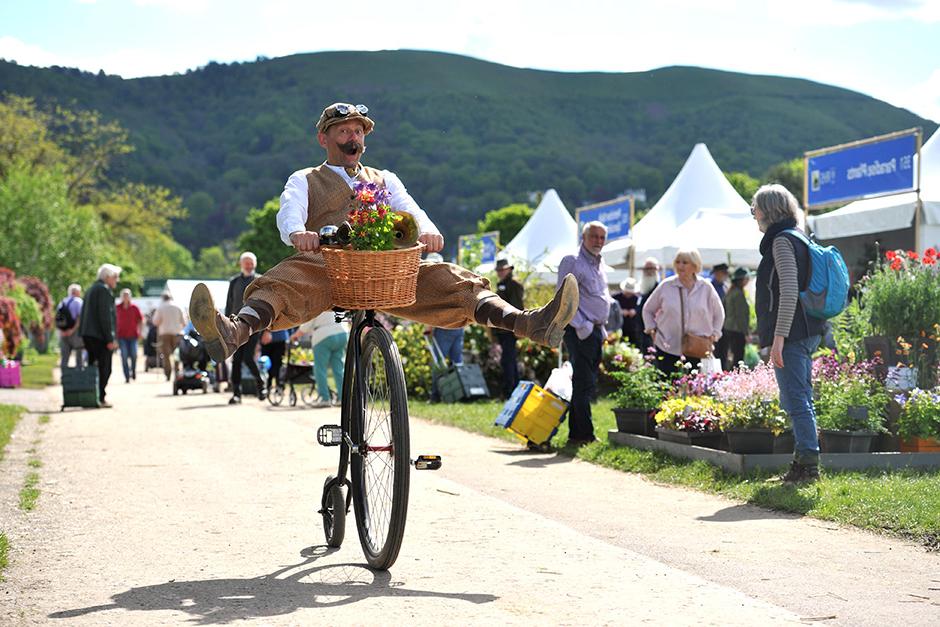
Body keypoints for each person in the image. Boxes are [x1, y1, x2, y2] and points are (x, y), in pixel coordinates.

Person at [188, 102, 578, 370]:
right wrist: (299, 234)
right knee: (282, 282)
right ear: (324, 138)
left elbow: (411, 209)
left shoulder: (384, 179)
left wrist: (427, 232)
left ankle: (531, 324)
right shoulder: (305, 178)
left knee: (451, 280)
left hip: (386, 271)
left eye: (357, 130)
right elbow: (289, 212)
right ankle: (233, 333)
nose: (352, 137)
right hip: (326, 266)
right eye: (343, 131)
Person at [752, 184, 826, 484]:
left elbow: (789, 291)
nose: (753, 214)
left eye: (754, 208)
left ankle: (808, 467)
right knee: (801, 397)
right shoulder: (798, 237)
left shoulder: (781, 241)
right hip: (807, 329)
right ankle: (802, 463)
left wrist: (778, 339)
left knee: (796, 400)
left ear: (768, 210)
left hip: (792, 333)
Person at [558, 221, 613, 446]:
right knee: (584, 383)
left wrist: (601, 327)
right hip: (581, 331)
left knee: (586, 383)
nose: (598, 241)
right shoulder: (573, 260)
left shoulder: (598, 263)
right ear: (584, 237)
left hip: (595, 330)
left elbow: (597, 298)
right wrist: (583, 326)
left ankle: (577, 434)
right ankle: (583, 435)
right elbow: (563, 298)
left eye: (602, 237)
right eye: (594, 236)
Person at [641, 248, 724, 376]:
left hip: (698, 348)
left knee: (695, 390)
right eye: (678, 262)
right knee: (667, 387)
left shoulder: (706, 288)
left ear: (695, 266)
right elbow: (647, 310)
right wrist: (652, 330)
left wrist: (715, 333)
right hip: (667, 346)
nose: (680, 265)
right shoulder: (666, 286)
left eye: (685, 262)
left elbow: (719, 313)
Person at [79, 264, 121, 407]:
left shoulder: (91, 288)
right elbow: (105, 316)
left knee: (92, 367)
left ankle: (91, 396)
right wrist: (110, 339)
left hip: (88, 334)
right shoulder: (103, 290)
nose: (117, 280)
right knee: (105, 368)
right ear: (107, 277)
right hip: (99, 336)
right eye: (115, 277)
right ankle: (100, 397)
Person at [226, 251, 265, 404]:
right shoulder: (234, 282)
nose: (249, 266)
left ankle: (260, 384)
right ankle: (236, 393)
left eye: (251, 263)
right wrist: (226, 326)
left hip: (254, 325)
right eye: (246, 263)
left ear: (254, 264)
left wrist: (266, 330)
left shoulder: (260, 280)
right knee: (236, 360)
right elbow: (229, 305)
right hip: (236, 325)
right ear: (241, 264)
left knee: (248, 358)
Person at [292, 311, 349, 407]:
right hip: (342, 333)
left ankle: (324, 398)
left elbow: (306, 325)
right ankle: (343, 398)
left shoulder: (318, 305)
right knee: (339, 369)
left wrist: (295, 336)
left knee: (320, 369)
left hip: (323, 335)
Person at [493, 258, 524, 398]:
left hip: (509, 329)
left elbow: (517, 308)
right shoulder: (502, 284)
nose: (500, 272)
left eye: (502, 270)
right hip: (503, 328)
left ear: (509, 269)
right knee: (509, 360)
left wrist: (516, 327)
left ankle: (509, 391)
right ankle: (515, 389)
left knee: (508, 360)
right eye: (498, 270)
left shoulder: (514, 284)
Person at [719, 268, 751, 370]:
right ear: (742, 280)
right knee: (738, 358)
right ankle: (736, 378)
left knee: (729, 356)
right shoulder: (738, 294)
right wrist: (746, 333)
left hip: (728, 328)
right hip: (736, 330)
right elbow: (741, 315)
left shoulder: (730, 292)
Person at [152, 290, 187, 382]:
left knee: (166, 355)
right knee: (177, 354)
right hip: (177, 333)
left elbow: (155, 322)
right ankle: (177, 372)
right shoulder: (178, 306)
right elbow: (184, 322)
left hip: (165, 334)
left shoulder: (160, 307)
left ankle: (168, 373)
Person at [115, 288, 143, 383]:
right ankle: (127, 376)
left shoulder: (135, 308)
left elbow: (140, 320)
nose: (125, 297)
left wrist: (140, 332)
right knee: (124, 355)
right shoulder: (117, 308)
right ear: (121, 297)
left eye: (127, 295)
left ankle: (133, 371)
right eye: (124, 295)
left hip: (133, 336)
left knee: (134, 355)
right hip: (121, 336)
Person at [635, 257, 661, 354]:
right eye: (646, 269)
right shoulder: (643, 289)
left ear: (656, 270)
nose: (648, 272)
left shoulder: (659, 289)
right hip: (641, 333)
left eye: (651, 269)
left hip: (653, 334)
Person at [57, 283, 85, 370]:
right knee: (79, 354)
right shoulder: (79, 302)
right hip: (76, 332)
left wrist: (62, 331)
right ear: (77, 292)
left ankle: (64, 376)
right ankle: (79, 375)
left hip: (63, 332)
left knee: (65, 356)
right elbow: (80, 318)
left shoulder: (62, 302)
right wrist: (72, 330)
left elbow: (57, 318)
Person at [260, 327, 290, 397]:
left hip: (278, 337)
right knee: (268, 364)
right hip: (269, 337)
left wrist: (267, 331)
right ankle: (268, 386)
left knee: (277, 364)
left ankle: (278, 386)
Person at [613, 277, 642, 347]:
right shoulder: (616, 297)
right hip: (618, 326)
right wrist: (620, 311)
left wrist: (635, 311)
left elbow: (641, 309)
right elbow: (610, 310)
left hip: (633, 328)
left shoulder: (637, 299)